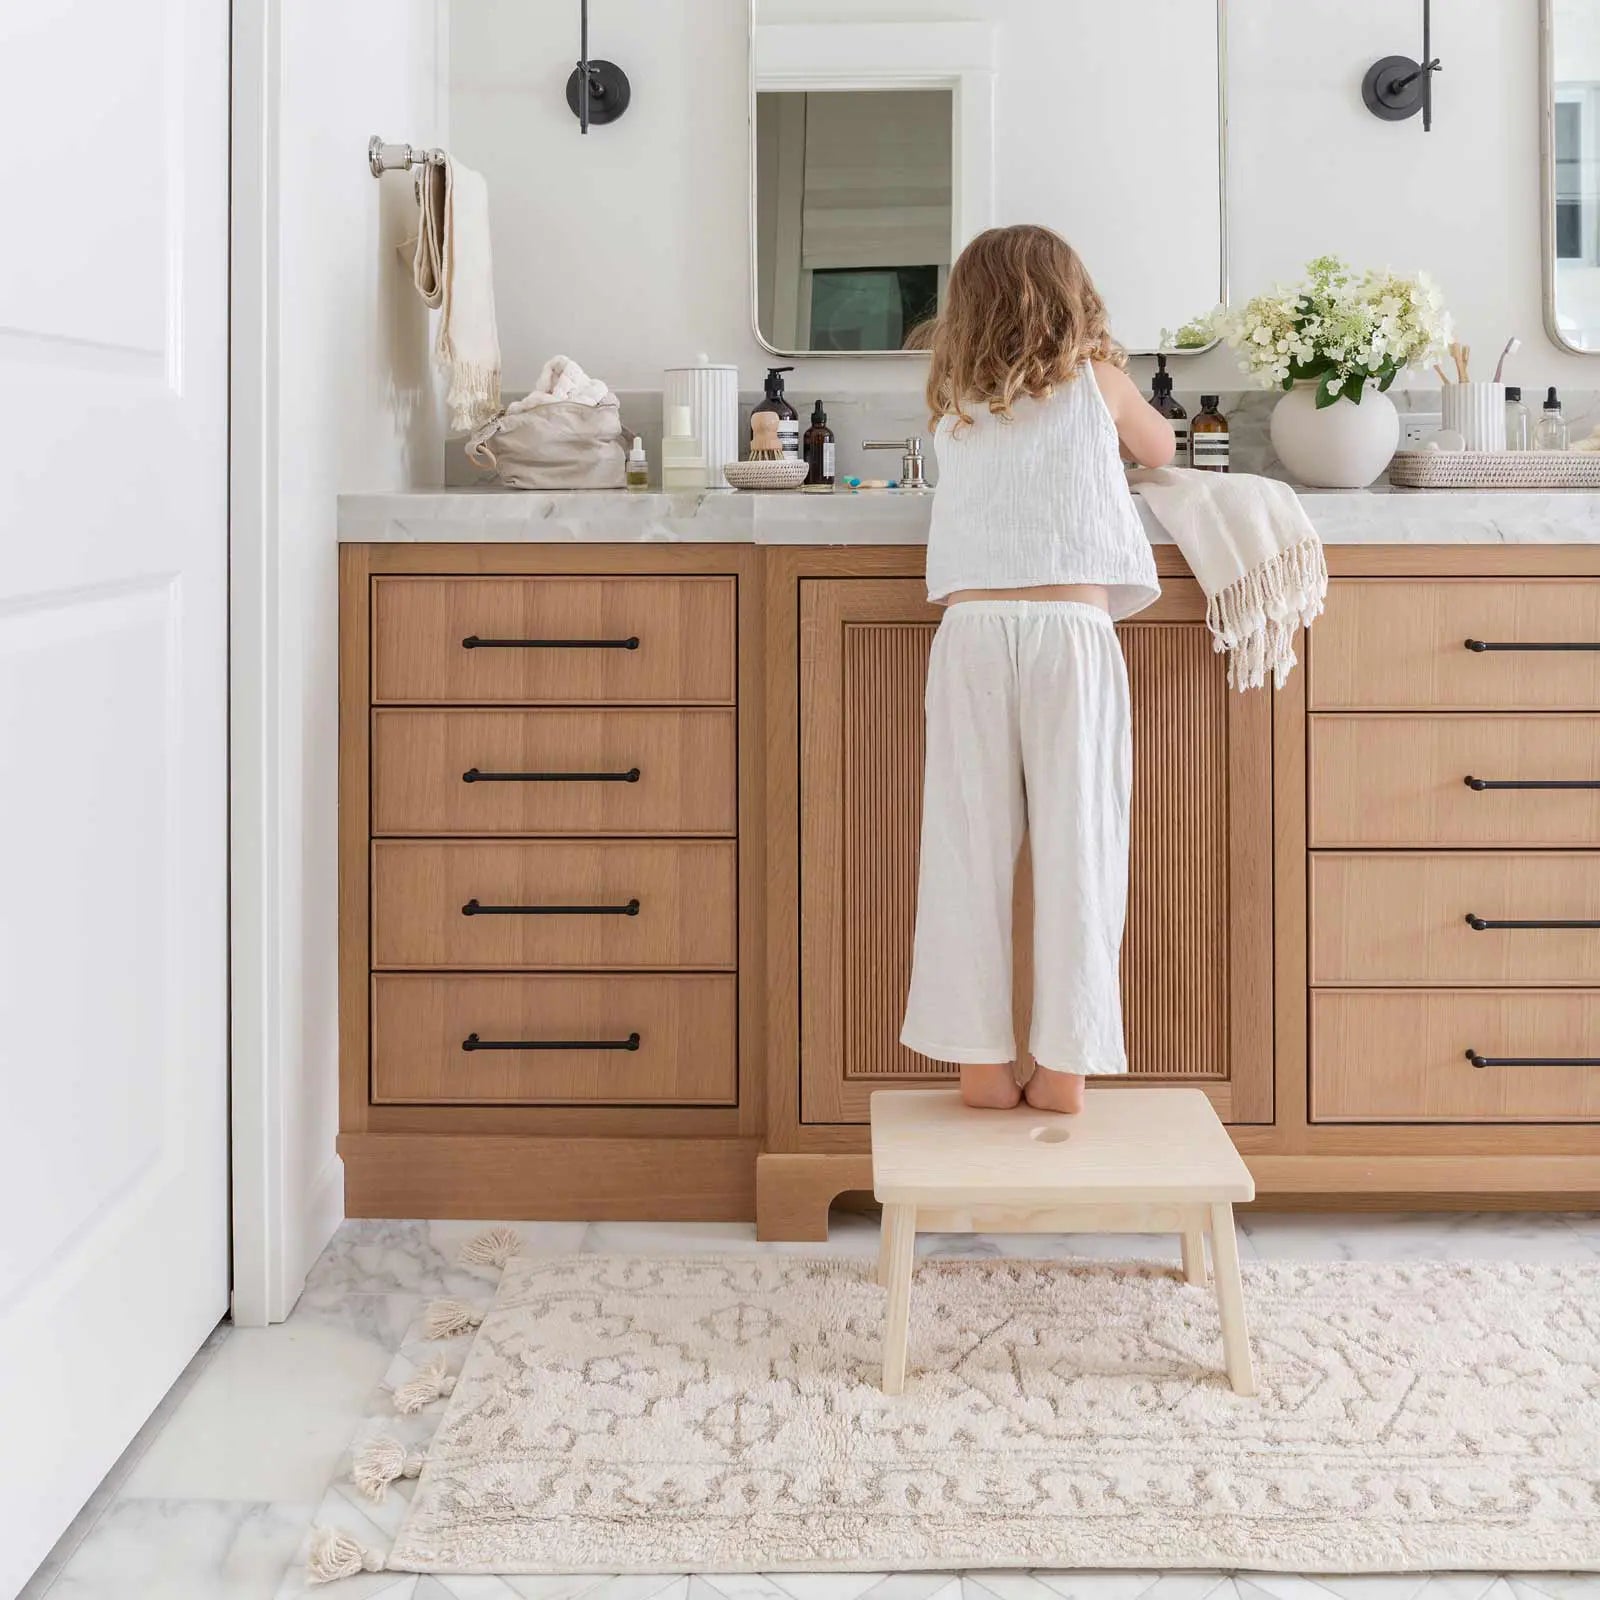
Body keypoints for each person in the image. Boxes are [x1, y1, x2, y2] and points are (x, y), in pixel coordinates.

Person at [899, 224, 1175, 1113]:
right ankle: (1065, 1068)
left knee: (964, 846)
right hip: (1070, 633)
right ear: (1073, 298)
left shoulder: (955, 400)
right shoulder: (1100, 383)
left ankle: (978, 1065)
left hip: (975, 636)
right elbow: (1162, 451)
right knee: (1080, 844)